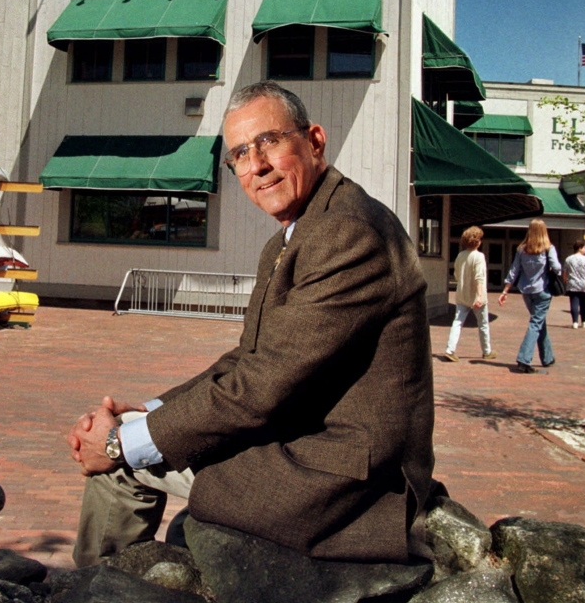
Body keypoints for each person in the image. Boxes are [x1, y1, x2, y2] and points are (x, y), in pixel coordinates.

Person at [67, 81, 437, 565]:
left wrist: (118, 443)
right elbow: (250, 358)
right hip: (300, 439)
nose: (256, 165)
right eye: (240, 153)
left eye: (270, 142)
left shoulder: (348, 232)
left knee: (122, 463)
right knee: (144, 439)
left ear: (315, 141)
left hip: (347, 478)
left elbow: (261, 386)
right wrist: (151, 410)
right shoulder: (295, 236)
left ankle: (96, 588)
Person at [498, 218, 560, 374]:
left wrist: (506, 290)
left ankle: (547, 357)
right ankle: (524, 359)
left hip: (526, 291)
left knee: (539, 322)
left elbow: (514, 270)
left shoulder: (522, 249)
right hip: (543, 291)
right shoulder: (548, 248)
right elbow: (557, 267)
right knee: (535, 323)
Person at [445, 225, 494, 361]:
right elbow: (479, 278)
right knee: (483, 324)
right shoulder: (479, 256)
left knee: (457, 322)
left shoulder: (460, 256)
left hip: (462, 294)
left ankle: (450, 349)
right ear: (477, 241)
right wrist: (479, 296)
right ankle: (487, 351)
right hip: (477, 297)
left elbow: (455, 274)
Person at [563, 241, 585, 329]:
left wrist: (565, 280)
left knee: (574, 303)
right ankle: (584, 321)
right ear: (580, 248)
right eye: (584, 248)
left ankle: (575, 322)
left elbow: (565, 272)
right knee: (583, 304)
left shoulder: (568, 259)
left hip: (573, 284)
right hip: (584, 284)